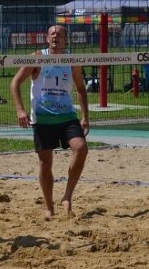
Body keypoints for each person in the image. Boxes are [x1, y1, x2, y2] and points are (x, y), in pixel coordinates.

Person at [10, 25, 90, 220]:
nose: (56, 37)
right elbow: (15, 83)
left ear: (65, 40)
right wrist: (20, 109)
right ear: (47, 38)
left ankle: (67, 197)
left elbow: (80, 88)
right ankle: (49, 207)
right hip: (43, 118)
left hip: (67, 117)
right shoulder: (37, 56)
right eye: (53, 34)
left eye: (60, 34)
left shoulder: (71, 61)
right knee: (45, 163)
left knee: (81, 148)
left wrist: (85, 116)